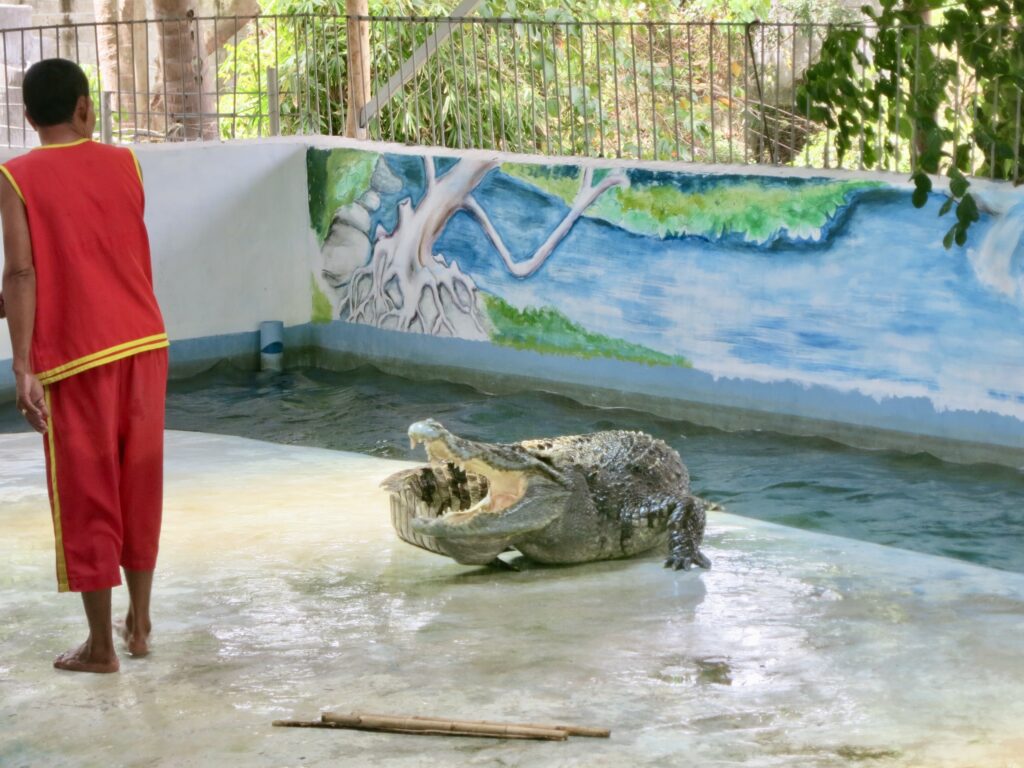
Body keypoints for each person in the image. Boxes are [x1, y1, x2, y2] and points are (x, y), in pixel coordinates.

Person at [0, 58, 168, 673]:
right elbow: (98, 252)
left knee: (87, 492)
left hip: (75, 358)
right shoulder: (127, 163)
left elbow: (24, 272)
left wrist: (23, 366)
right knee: (139, 483)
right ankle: (141, 625)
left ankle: (101, 647)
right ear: (83, 108)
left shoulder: (16, 177)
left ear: (27, 117)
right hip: (146, 343)